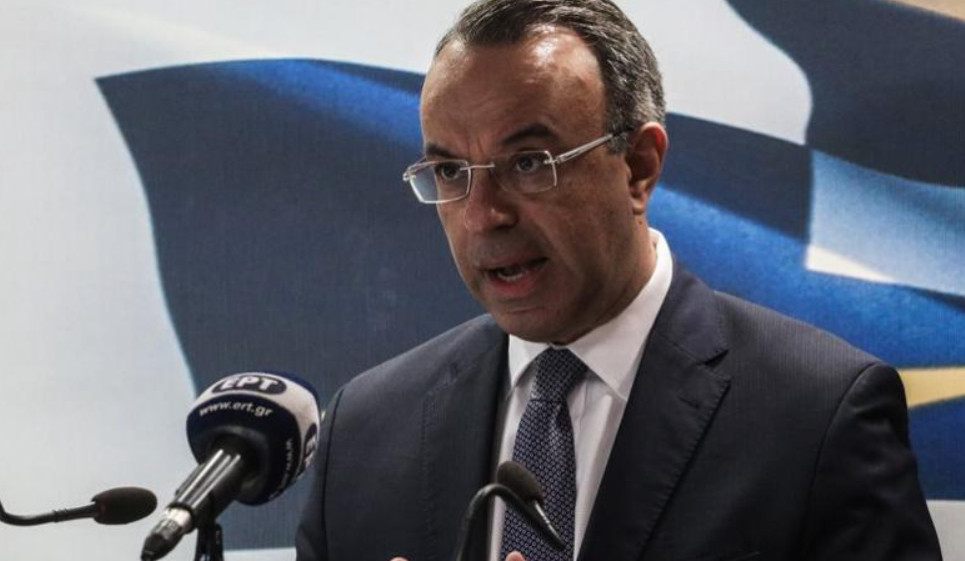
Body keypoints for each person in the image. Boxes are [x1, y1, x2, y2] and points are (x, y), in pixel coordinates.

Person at [296, 0, 942, 559]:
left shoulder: (818, 415)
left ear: (638, 165)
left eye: (528, 163)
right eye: (450, 172)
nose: (482, 215)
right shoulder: (366, 432)